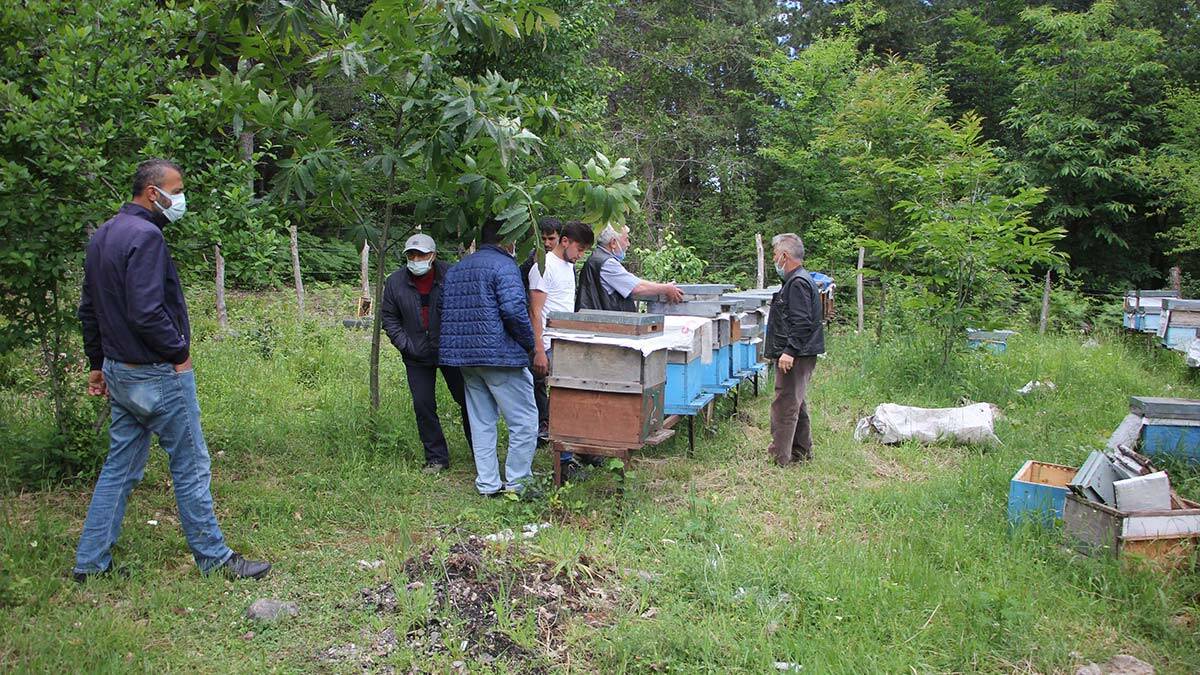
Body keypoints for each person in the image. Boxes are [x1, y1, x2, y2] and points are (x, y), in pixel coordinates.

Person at [73, 159, 270, 581]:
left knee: (119, 469)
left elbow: (89, 309)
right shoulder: (146, 237)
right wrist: (178, 351)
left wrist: (96, 365)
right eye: (175, 190)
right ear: (151, 193)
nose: (180, 199)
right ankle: (214, 558)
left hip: (119, 371)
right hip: (157, 373)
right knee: (191, 463)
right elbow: (147, 312)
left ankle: (89, 564)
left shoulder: (103, 235)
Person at [438, 219, 539, 497]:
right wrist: (531, 345)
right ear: (508, 240)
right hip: (500, 356)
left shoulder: (457, 269)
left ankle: (488, 484)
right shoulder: (505, 266)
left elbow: (442, 309)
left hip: (465, 358)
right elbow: (514, 311)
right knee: (525, 422)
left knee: (481, 422)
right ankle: (519, 484)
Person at [381, 233, 472, 473]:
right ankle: (436, 458)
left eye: (421, 254)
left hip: (450, 351)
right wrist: (405, 344)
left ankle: (480, 450)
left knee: (468, 399)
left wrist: (456, 342)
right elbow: (389, 318)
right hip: (416, 355)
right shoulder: (395, 282)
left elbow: (464, 310)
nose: (416, 259)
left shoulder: (451, 276)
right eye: (411, 255)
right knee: (423, 405)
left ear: (433, 256)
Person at [527, 221, 595, 476]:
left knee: (570, 399)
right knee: (563, 402)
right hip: (548, 345)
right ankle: (564, 462)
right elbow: (535, 311)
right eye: (579, 249)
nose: (580, 255)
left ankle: (573, 455)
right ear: (565, 241)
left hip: (565, 343)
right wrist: (539, 350)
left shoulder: (568, 267)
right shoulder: (543, 267)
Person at [764, 233, 825, 466]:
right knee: (796, 401)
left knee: (785, 405)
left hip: (797, 354)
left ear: (784, 256)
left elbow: (802, 322)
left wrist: (789, 351)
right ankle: (801, 452)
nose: (773, 260)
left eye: (774, 255)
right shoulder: (797, 280)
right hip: (801, 352)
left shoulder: (798, 282)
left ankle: (780, 458)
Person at [520, 217, 563, 444]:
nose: (547, 243)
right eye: (544, 238)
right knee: (537, 381)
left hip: (557, 332)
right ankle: (541, 423)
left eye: (551, 238)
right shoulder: (532, 262)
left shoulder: (565, 264)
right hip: (535, 330)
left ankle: (554, 422)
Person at [576, 224, 684, 311]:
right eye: (626, 239)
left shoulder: (598, 258)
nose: (628, 244)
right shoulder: (607, 263)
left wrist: (663, 286)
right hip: (602, 325)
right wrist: (666, 289)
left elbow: (634, 281)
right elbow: (636, 287)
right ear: (613, 243)